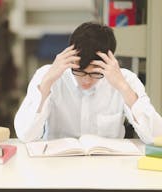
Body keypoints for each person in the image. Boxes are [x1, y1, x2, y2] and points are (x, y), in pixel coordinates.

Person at [14, 22, 162, 144]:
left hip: (108, 168)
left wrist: (123, 88)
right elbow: (25, 135)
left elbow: (156, 136)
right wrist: (47, 83)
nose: (86, 80)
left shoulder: (125, 79)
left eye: (95, 73)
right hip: (57, 168)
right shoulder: (48, 75)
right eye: (80, 71)